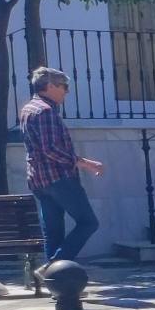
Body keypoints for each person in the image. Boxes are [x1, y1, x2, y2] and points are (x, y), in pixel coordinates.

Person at [22, 66, 103, 268]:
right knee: (88, 222)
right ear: (50, 86)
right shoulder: (45, 111)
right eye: (64, 86)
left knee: (53, 232)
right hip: (58, 179)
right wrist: (84, 163)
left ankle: (55, 282)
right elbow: (50, 149)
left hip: (39, 180)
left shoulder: (28, 109)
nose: (66, 91)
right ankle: (53, 267)